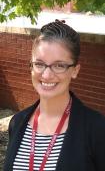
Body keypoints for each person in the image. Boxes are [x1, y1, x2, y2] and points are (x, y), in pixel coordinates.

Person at [4, 20, 105, 171]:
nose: (46, 74)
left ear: (75, 70)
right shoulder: (17, 122)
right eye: (39, 63)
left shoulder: (97, 128)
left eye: (59, 65)